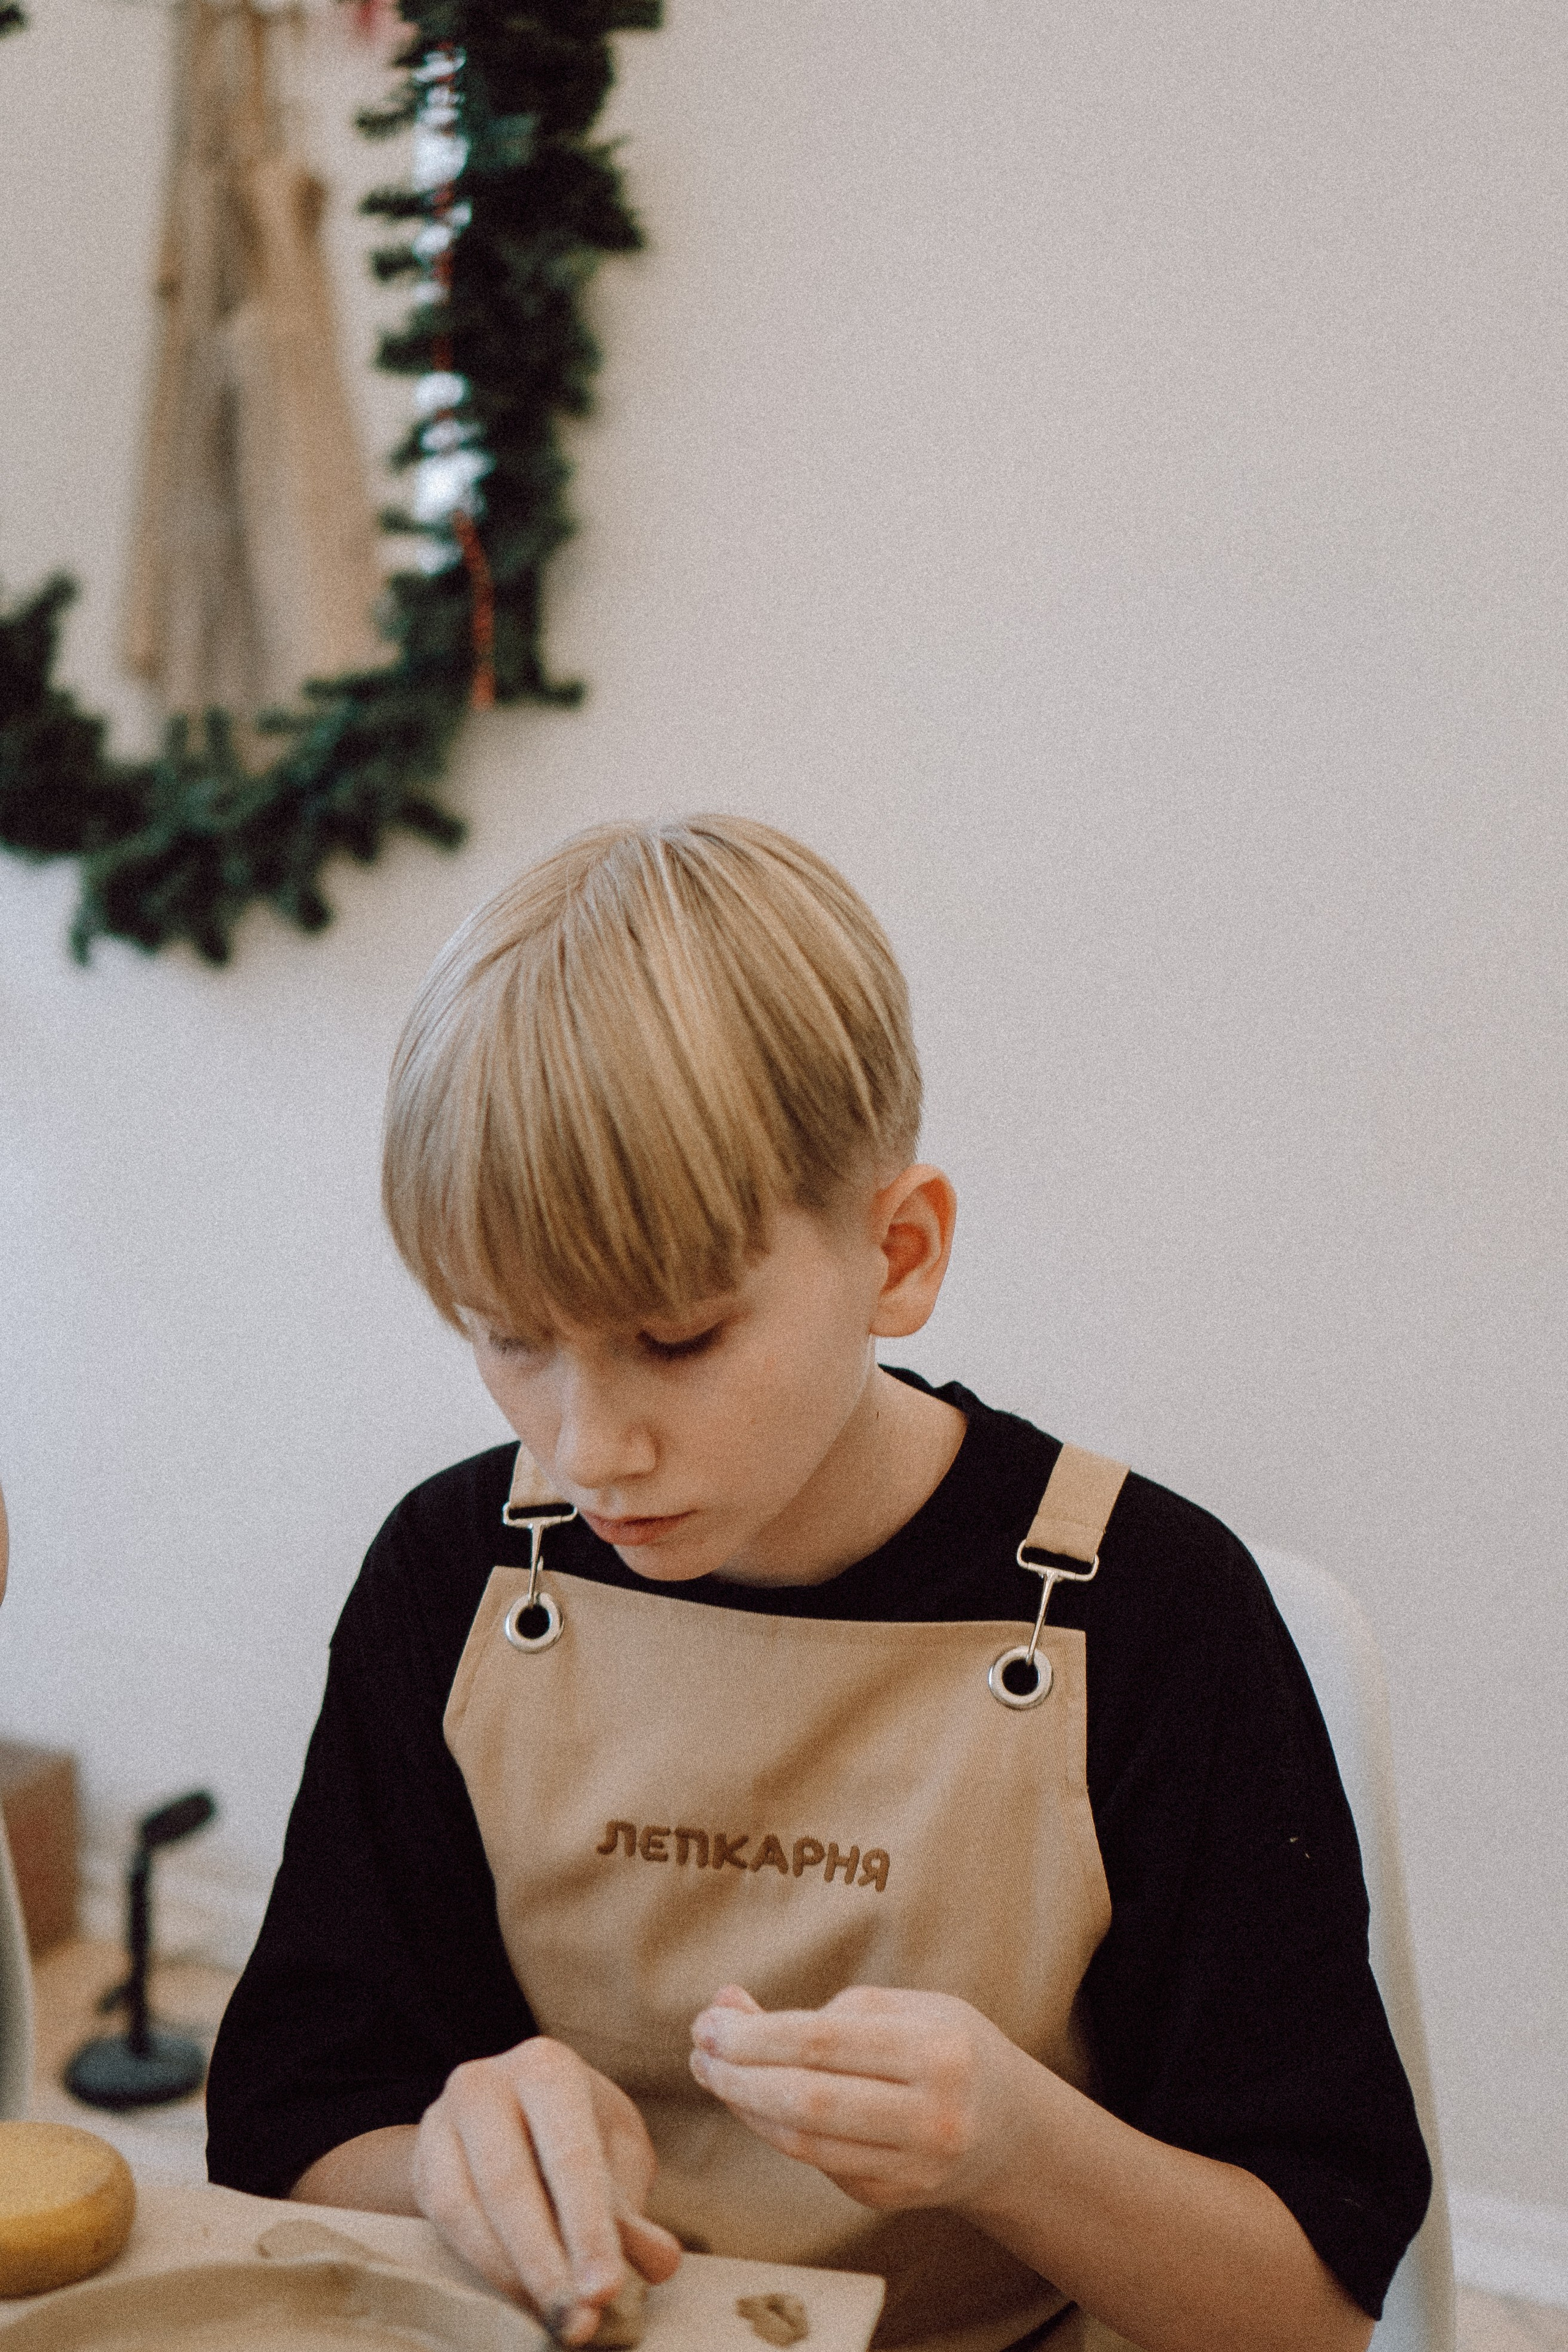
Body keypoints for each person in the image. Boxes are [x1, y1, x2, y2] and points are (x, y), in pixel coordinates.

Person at [206, 815, 1430, 2352]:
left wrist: (1015, 2145)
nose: (590, 1450)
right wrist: (447, 2155)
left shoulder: (1153, 1613)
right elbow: (284, 2137)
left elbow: (1309, 2308)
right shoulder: (449, 1579)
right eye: (509, 1337)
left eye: (677, 1339)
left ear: (896, 1251)